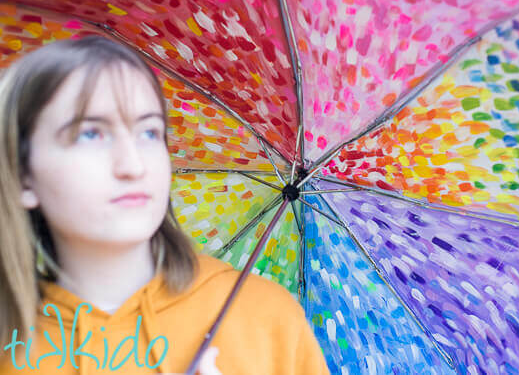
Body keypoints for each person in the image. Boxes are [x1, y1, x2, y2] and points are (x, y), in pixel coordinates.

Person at [0, 35, 330, 374]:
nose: (133, 165)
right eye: (91, 134)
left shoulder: (265, 318)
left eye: (149, 133)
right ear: (22, 175)